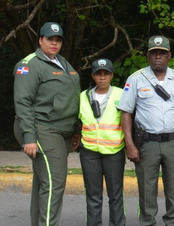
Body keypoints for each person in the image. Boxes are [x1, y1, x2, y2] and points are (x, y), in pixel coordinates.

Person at [117, 35, 174, 226]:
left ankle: (173, 222)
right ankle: (147, 222)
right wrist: (130, 145)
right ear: (148, 56)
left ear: (169, 55)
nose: (157, 57)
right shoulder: (136, 79)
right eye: (154, 53)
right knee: (146, 190)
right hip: (147, 143)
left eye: (162, 53)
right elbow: (126, 113)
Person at [13, 22, 81, 226]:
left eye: (58, 40)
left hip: (61, 131)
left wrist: (74, 131)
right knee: (54, 183)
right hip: (42, 128)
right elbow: (23, 102)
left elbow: (70, 98)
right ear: (40, 40)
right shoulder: (29, 65)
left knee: (44, 183)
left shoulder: (61, 62)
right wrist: (29, 137)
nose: (54, 43)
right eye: (50, 39)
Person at [78, 58, 126, 226]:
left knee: (115, 195)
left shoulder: (121, 94)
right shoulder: (83, 96)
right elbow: (75, 120)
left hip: (114, 152)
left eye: (106, 73)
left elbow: (130, 121)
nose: (102, 77)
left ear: (112, 75)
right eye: (99, 73)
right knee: (93, 195)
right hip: (89, 152)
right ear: (93, 76)